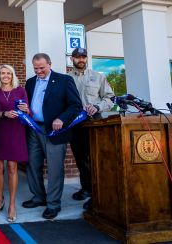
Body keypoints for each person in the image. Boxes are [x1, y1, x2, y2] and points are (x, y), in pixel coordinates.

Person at [22, 53, 83, 220]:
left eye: (42, 67)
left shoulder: (64, 80)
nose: (39, 71)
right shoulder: (30, 82)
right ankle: (38, 197)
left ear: (49, 64)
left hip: (55, 132)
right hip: (34, 130)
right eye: (36, 68)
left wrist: (61, 119)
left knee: (55, 169)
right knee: (32, 165)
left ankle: (53, 204)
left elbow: (75, 106)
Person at [68, 47, 114, 210]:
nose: (81, 59)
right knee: (81, 159)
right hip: (75, 125)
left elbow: (110, 98)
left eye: (83, 57)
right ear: (72, 59)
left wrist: (98, 106)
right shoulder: (66, 79)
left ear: (86, 58)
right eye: (77, 57)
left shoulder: (98, 77)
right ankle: (86, 188)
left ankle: (97, 194)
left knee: (94, 158)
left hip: (94, 123)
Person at [0, 64, 29, 223]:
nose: (5, 76)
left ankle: (12, 204)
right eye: (3, 73)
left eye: (8, 73)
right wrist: (3, 113)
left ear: (13, 75)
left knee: (12, 167)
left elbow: (28, 111)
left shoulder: (20, 90)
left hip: (15, 131)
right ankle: (0, 200)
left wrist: (26, 109)